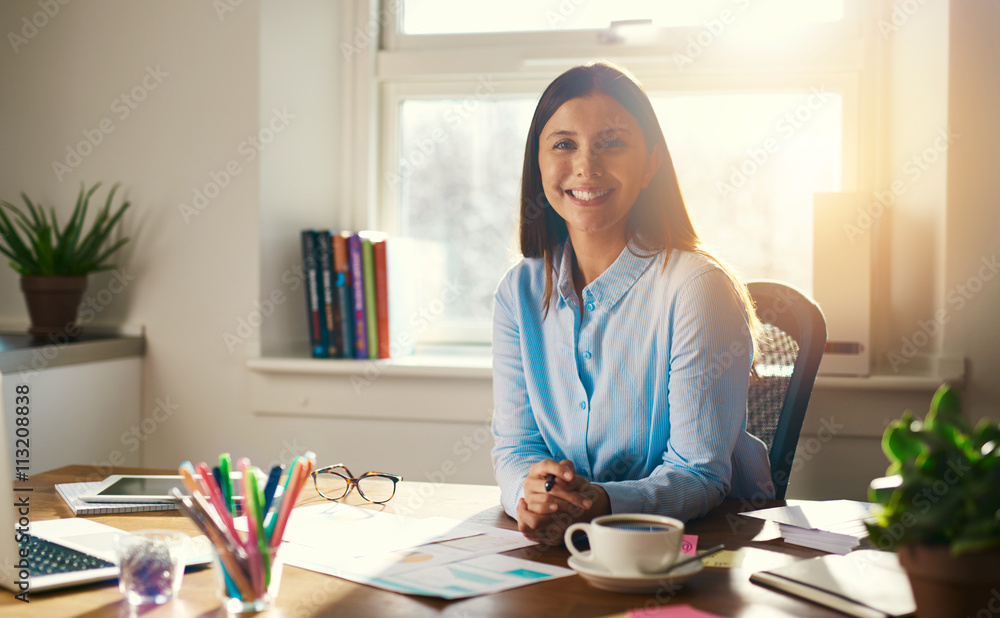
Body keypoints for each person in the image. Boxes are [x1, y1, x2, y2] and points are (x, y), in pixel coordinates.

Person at [491, 61, 774, 543]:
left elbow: (701, 475)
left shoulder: (697, 288)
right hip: (572, 546)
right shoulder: (517, 292)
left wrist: (600, 502)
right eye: (564, 144)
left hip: (699, 546)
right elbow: (517, 448)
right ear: (537, 165)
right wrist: (534, 492)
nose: (586, 166)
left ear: (650, 164)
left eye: (613, 142)